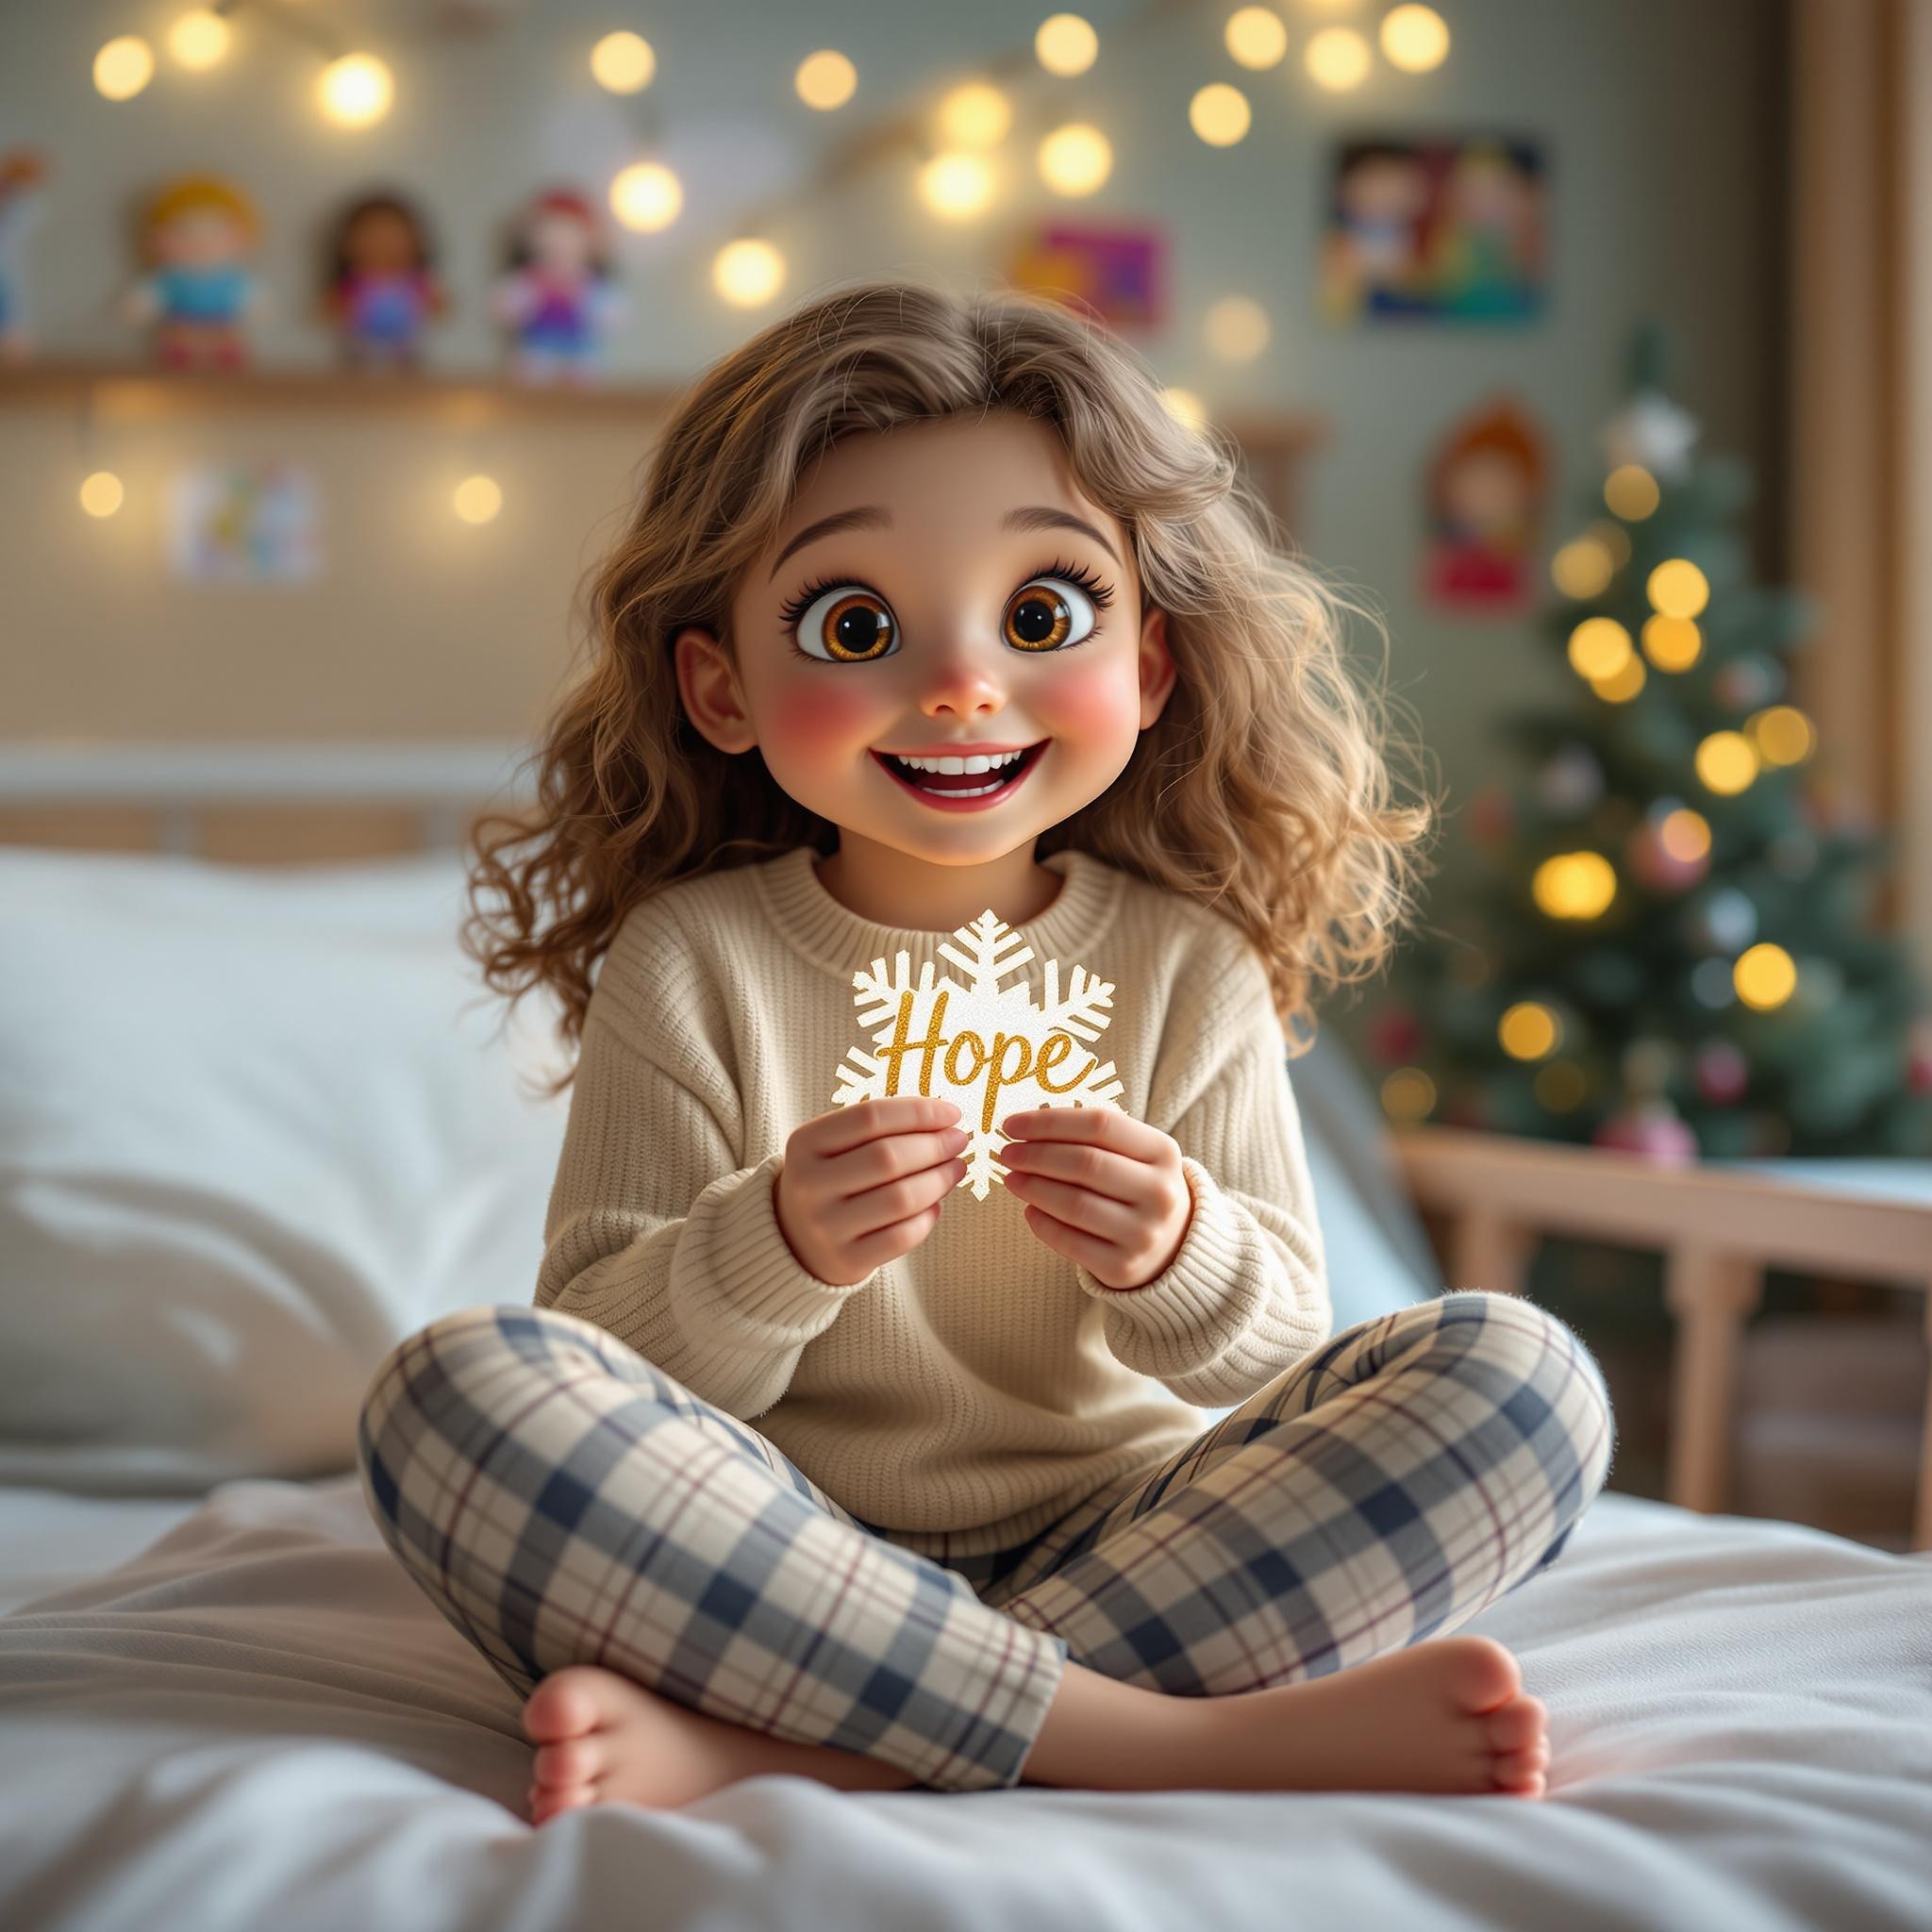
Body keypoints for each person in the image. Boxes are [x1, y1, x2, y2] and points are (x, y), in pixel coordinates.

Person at [355, 278, 1616, 1823]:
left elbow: (1283, 1348)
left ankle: (797, 1747)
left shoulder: (1182, 964)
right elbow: (605, 1351)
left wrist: (1175, 1252)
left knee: (1529, 1377)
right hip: (773, 1548)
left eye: (1040, 615)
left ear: (1148, 669)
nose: (961, 684)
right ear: (723, 688)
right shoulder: (698, 962)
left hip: (1145, 1536)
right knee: (455, 1392)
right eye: (857, 624)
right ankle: (1175, 1747)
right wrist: (770, 1250)